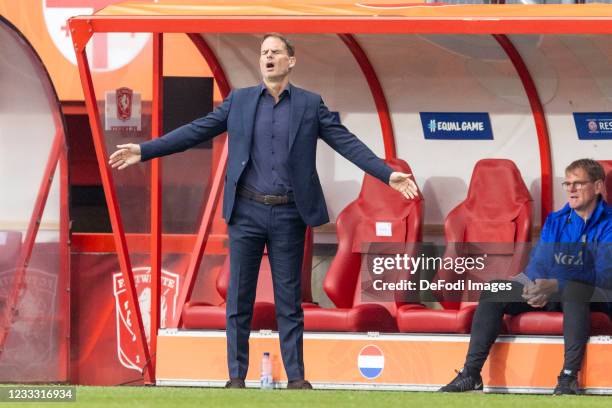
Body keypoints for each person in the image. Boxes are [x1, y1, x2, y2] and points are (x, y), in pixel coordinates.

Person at [109, 33, 418, 389]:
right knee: (239, 298)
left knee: (289, 299)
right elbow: (195, 132)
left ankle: (297, 378)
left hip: (289, 215)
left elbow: (348, 144)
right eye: (264, 53)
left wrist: (386, 173)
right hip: (246, 213)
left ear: (291, 61)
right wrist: (145, 150)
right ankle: (236, 378)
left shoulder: (309, 104)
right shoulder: (238, 102)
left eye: (276, 53)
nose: (268, 57)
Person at [439, 158, 612, 395]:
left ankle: (569, 377)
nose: (571, 189)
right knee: (494, 289)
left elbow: (602, 273)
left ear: (598, 186)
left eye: (579, 183)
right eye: (567, 184)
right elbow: (539, 264)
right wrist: (531, 286)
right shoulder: (556, 220)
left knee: (574, 288)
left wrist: (555, 285)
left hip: (596, 294)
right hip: (554, 291)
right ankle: (471, 374)